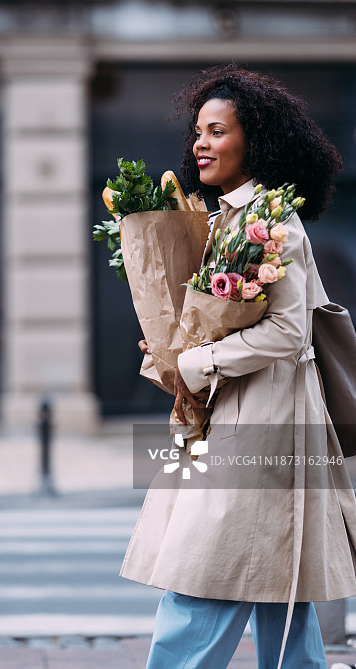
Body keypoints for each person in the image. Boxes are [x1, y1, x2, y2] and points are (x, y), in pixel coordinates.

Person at [121, 64, 356, 669]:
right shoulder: (225, 219)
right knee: (278, 583)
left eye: (217, 131)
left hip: (268, 416)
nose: (201, 143)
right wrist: (170, 348)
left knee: (207, 569)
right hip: (237, 411)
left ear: (256, 140)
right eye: (198, 132)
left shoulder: (273, 222)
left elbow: (286, 330)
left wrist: (196, 359)